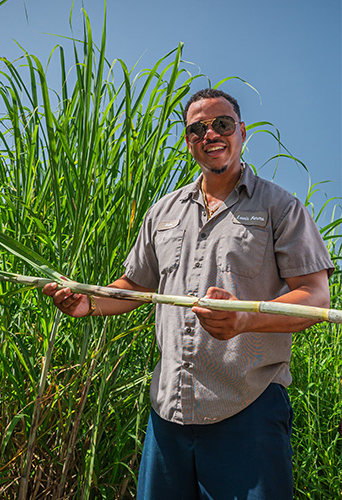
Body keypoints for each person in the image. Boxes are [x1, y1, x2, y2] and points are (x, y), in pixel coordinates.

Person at [43, 88, 333, 499]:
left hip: (248, 408)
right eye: (197, 128)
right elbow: (135, 286)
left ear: (242, 132)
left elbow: (315, 298)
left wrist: (244, 319)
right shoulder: (162, 212)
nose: (210, 133)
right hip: (169, 413)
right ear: (188, 141)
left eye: (222, 124)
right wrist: (87, 302)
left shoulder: (280, 208)